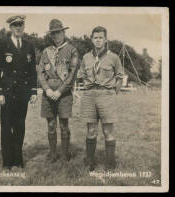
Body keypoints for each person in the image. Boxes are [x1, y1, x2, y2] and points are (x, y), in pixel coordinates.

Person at [0, 15, 37, 169]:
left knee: (20, 126)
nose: (18, 28)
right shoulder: (2, 45)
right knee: (6, 127)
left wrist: (33, 91)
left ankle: (18, 160)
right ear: (10, 28)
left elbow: (32, 71)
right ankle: (7, 162)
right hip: (6, 93)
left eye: (20, 25)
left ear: (23, 26)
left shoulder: (28, 46)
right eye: (15, 25)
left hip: (23, 93)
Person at [78, 26, 123, 171]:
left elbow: (119, 77)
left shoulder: (114, 57)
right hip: (89, 96)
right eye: (95, 38)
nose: (98, 40)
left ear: (105, 39)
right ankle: (90, 161)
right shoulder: (86, 57)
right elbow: (82, 75)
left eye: (101, 37)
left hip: (106, 96)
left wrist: (111, 93)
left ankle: (110, 164)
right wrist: (86, 87)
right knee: (91, 130)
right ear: (91, 39)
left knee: (108, 131)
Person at [36, 19, 79, 162]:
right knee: (51, 124)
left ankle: (65, 154)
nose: (55, 36)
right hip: (48, 93)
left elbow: (72, 74)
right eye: (53, 34)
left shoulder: (72, 50)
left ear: (64, 32)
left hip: (64, 93)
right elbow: (40, 72)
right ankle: (53, 153)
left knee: (63, 124)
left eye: (58, 33)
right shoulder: (46, 51)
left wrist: (59, 91)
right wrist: (47, 89)